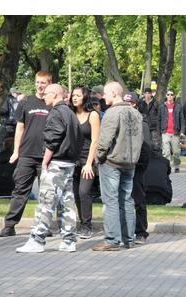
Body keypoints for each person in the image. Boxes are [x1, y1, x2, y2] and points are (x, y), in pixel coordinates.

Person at [16, 84, 83, 253]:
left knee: (46, 200)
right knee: (66, 202)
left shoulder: (56, 112)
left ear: (54, 95)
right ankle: (69, 240)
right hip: (68, 163)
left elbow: (52, 138)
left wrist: (45, 161)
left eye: (46, 94)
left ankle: (37, 240)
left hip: (57, 162)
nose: (43, 96)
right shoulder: (70, 112)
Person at [0, 71, 52, 238]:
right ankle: (9, 225)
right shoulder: (26, 102)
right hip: (27, 154)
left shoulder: (53, 103)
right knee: (20, 191)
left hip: (46, 156)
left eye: (43, 82)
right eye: (37, 82)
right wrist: (16, 151)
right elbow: (19, 128)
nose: (40, 86)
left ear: (50, 83)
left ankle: (44, 226)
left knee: (46, 193)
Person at [92, 82, 143, 251]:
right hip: (130, 163)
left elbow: (104, 140)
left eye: (105, 93)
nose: (103, 97)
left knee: (111, 201)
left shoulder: (112, 113)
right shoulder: (136, 113)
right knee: (127, 200)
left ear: (114, 93)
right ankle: (129, 239)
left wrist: (97, 158)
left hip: (112, 162)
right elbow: (139, 140)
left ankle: (112, 240)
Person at [70, 85, 101, 239]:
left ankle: (87, 226)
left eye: (78, 95)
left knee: (84, 192)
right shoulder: (71, 114)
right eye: (73, 95)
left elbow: (95, 140)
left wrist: (89, 164)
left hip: (87, 159)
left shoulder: (93, 115)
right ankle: (82, 223)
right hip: (72, 160)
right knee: (75, 193)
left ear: (85, 97)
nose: (74, 98)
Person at [124, 91, 152, 244]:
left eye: (129, 103)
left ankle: (141, 231)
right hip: (121, 164)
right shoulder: (120, 120)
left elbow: (146, 148)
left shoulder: (142, 123)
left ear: (134, 104)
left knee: (138, 199)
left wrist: (138, 164)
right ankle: (125, 230)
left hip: (136, 166)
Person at [160, 89, 185, 173]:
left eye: (171, 94)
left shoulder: (178, 106)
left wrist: (182, 131)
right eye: (168, 94)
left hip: (175, 132)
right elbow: (158, 119)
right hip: (165, 132)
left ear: (174, 96)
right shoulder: (162, 106)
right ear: (166, 96)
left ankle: (176, 166)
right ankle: (166, 166)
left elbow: (182, 119)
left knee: (176, 152)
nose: (170, 96)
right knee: (166, 152)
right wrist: (159, 130)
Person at [0, 87, 21, 154]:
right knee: (15, 143)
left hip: (7, 124)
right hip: (17, 125)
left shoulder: (7, 99)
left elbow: (3, 110)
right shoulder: (19, 101)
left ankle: (0, 157)